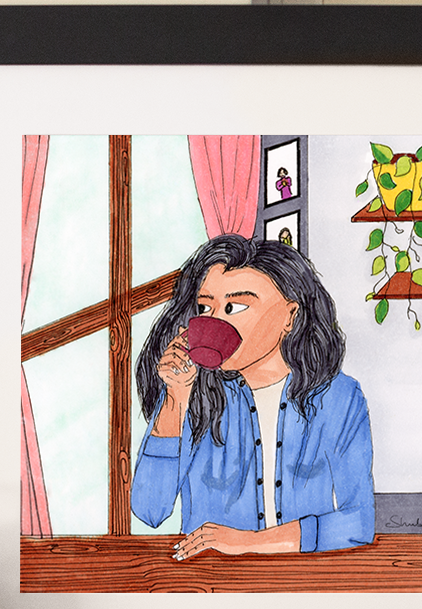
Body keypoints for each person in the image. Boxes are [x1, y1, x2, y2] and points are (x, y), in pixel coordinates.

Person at [131, 234, 375, 557]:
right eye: (206, 307)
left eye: (235, 306)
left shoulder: (339, 398)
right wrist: (175, 399)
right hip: (211, 585)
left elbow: (359, 522)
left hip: (305, 585)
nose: (215, 320)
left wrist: (246, 543)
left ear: (290, 316)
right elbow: (149, 511)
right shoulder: (194, 393)